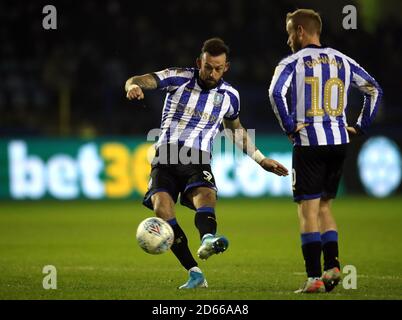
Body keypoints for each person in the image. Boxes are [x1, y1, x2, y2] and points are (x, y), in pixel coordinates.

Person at [126, 38, 289, 289]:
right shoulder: (177, 77)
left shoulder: (230, 96)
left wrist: (260, 159)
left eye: (218, 68)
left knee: (205, 194)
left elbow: (235, 130)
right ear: (198, 63)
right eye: (207, 67)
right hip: (166, 156)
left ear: (226, 68)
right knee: (162, 208)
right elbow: (138, 79)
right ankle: (194, 272)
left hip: (197, 156)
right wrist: (133, 86)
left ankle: (208, 239)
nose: (212, 73)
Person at [269, 9, 382, 293]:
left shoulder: (292, 62)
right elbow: (374, 90)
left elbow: (275, 93)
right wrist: (360, 125)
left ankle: (313, 279)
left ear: (299, 32)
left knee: (308, 210)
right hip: (339, 141)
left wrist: (289, 126)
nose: (287, 41)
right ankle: (332, 264)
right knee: (325, 206)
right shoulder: (342, 60)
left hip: (309, 142)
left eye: (288, 34)